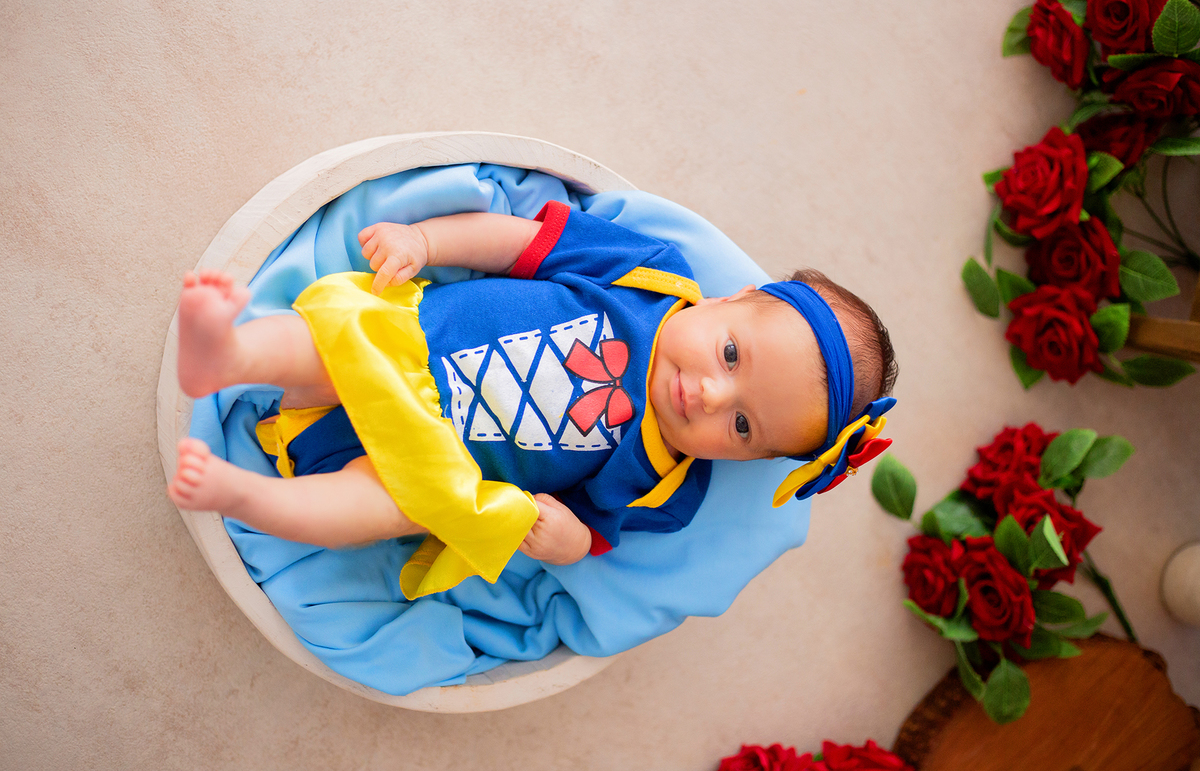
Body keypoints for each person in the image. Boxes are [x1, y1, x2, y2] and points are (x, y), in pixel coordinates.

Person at [167, 201, 898, 598]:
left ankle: (242, 497)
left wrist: (573, 544)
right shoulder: (653, 275)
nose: (709, 393)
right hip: (406, 343)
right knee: (322, 340)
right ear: (735, 297)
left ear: (755, 456)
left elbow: (597, 530)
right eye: (732, 353)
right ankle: (226, 357)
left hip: (435, 467)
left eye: (743, 425)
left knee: (369, 513)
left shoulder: (667, 481)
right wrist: (424, 241)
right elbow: (519, 243)